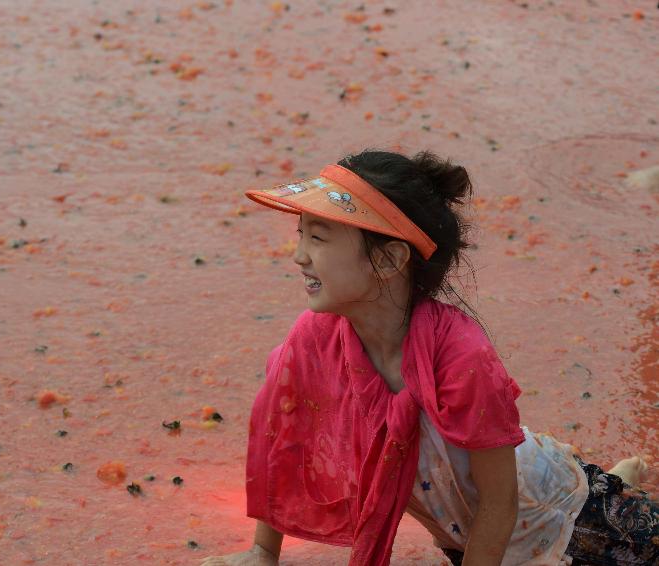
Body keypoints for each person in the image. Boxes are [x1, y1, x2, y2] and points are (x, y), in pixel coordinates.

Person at [199, 149, 658, 565]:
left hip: (561, 518)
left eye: (318, 238)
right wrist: (263, 551)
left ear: (388, 259)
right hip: (468, 541)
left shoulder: (461, 354)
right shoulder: (315, 336)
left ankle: (604, 482)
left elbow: (501, 500)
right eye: (301, 235)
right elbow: (289, 437)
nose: (298, 255)